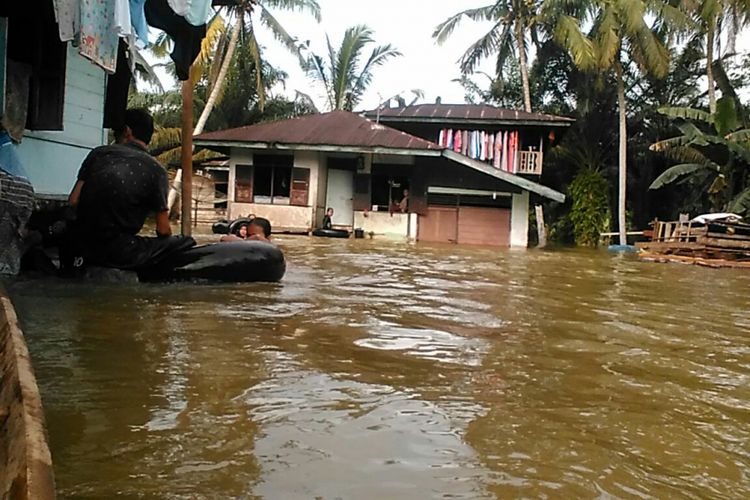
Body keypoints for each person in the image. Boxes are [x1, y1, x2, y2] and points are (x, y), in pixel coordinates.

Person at [65, 108, 195, 272]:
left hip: (79, 243)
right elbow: (162, 229)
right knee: (186, 241)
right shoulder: (156, 170)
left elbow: (73, 200)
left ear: (127, 131)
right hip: (120, 251)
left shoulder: (98, 153)